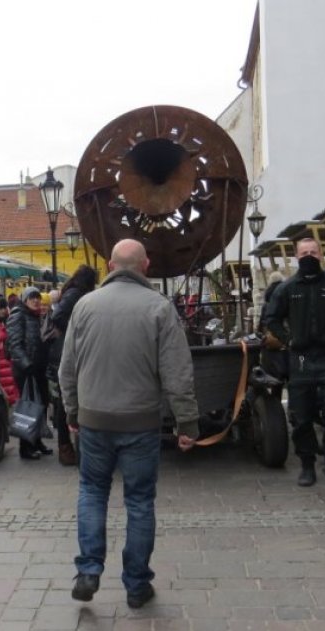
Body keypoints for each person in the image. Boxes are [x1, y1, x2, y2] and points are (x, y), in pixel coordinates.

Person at [59, 239, 199, 609]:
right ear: (146, 265)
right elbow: (177, 372)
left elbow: (67, 369)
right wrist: (187, 423)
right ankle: (137, 584)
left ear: (109, 265)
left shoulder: (84, 306)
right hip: (140, 424)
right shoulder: (159, 308)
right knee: (139, 501)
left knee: (92, 492)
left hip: (94, 422)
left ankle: (88, 570)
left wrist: (72, 412)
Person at [264, 238, 325, 490]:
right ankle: (306, 464)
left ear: (321, 254)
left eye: (313, 252)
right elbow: (271, 318)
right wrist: (288, 340)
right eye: (304, 253)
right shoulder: (287, 288)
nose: (309, 256)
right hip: (301, 360)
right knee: (301, 417)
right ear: (296, 257)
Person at [45, 265, 97, 466]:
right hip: (63, 353)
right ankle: (65, 447)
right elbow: (59, 317)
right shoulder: (76, 294)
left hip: (63, 352)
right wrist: (74, 330)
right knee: (64, 401)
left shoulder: (73, 292)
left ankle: (67, 446)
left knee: (63, 400)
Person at [6, 286, 52, 460]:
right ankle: (25, 447)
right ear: (24, 300)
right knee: (29, 407)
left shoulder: (36, 317)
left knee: (42, 404)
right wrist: (27, 364)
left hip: (39, 368)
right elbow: (14, 344)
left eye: (38, 298)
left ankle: (37, 440)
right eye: (32, 298)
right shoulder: (18, 315)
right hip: (26, 370)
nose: (36, 301)